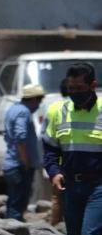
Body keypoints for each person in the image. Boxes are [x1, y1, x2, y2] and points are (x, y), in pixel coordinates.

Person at [42, 62, 102, 235]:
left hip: (99, 186)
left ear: (93, 85)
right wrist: (54, 172)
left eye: (79, 88)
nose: (74, 92)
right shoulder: (57, 110)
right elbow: (50, 149)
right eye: (70, 88)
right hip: (70, 186)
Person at [3, 84, 45, 221]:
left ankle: (9, 228)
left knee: (14, 199)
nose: (39, 104)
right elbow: (20, 138)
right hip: (19, 165)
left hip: (12, 163)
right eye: (39, 100)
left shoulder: (13, 109)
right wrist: (26, 161)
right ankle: (14, 232)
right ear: (33, 99)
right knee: (19, 201)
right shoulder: (23, 112)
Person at [49, 79, 68, 226]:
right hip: (84, 167)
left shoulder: (54, 108)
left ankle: (55, 230)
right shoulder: (92, 108)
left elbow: (47, 140)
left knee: (58, 200)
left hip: (59, 168)